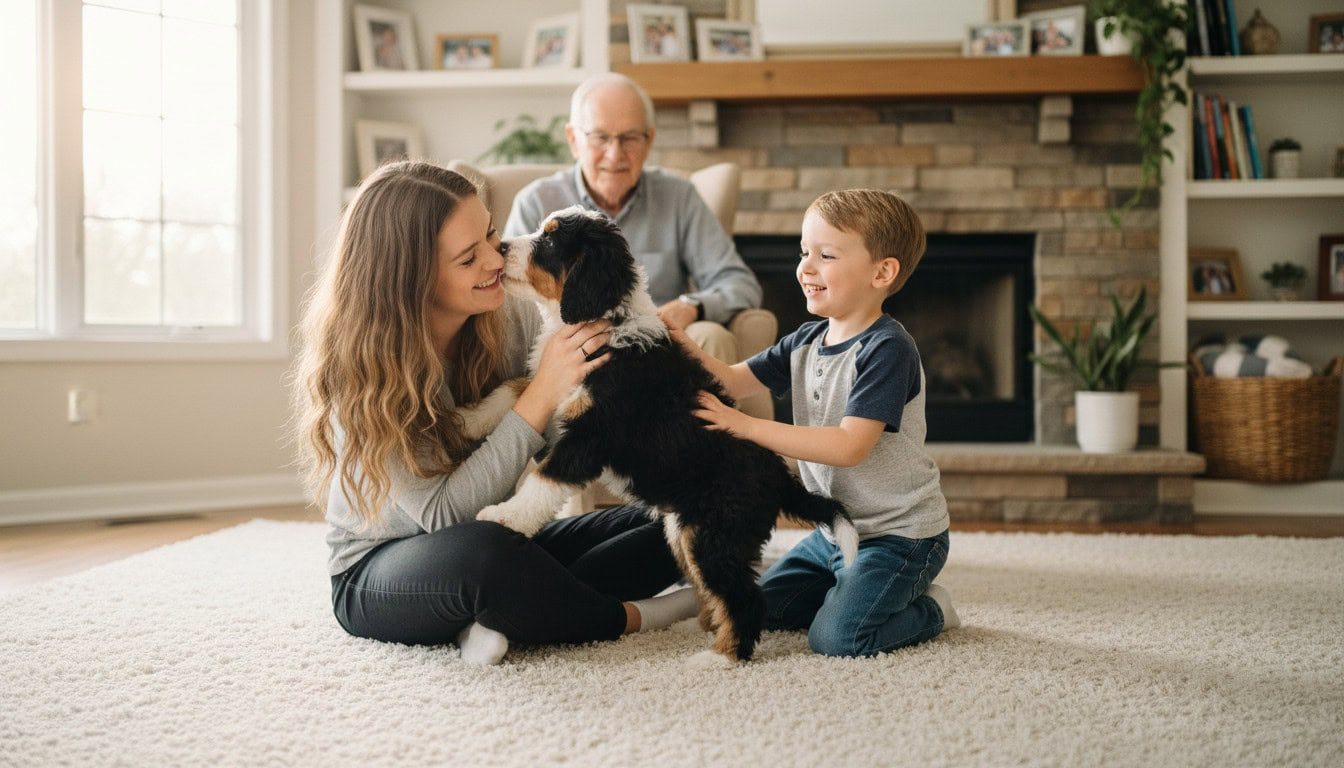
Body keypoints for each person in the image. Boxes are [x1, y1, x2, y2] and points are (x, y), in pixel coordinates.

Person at [295, 161, 698, 666]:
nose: (496, 257)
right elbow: (444, 518)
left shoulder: (502, 309)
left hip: (494, 536)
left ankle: (499, 613)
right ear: (413, 279)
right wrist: (542, 391)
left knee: (664, 525)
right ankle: (635, 615)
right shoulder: (364, 369)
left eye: (490, 234)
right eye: (469, 257)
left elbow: (561, 439)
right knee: (487, 558)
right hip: (382, 569)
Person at [673, 189, 957, 657]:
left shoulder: (887, 349)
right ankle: (855, 591)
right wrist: (670, 336)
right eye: (805, 252)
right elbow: (730, 378)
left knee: (838, 638)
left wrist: (742, 426)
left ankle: (932, 610)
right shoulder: (806, 340)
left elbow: (849, 446)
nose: (805, 267)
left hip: (900, 536)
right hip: (836, 533)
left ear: (881, 272)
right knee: (763, 610)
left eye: (825, 256)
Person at [504, 72, 763, 366]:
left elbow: (739, 283)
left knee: (711, 335)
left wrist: (691, 306)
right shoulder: (536, 202)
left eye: (629, 138)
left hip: (653, 352)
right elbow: (510, 306)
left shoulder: (679, 197)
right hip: (569, 350)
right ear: (573, 140)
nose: (615, 156)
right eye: (600, 137)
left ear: (648, 140)